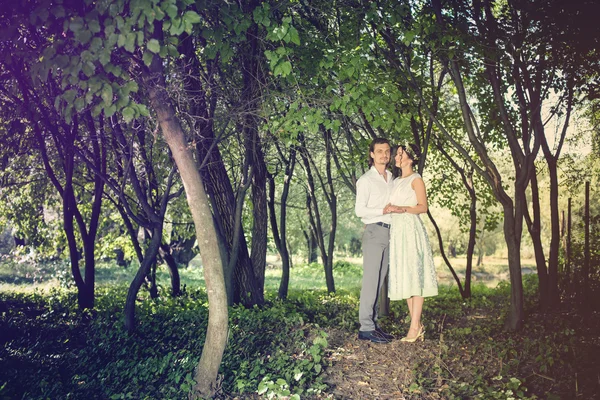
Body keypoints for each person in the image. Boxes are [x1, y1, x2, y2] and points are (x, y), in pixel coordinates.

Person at [384, 142, 438, 342]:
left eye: (401, 154)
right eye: (397, 154)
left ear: (411, 158)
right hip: (398, 231)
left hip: (410, 228)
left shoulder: (416, 179)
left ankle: (414, 327)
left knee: (415, 274)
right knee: (405, 275)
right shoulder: (396, 180)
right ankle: (417, 325)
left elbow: (423, 207)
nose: (397, 157)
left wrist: (401, 208)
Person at [354, 137, 395, 344]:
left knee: (379, 281)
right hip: (374, 232)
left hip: (390, 232)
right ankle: (366, 328)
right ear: (372, 154)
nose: (384, 155)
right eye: (379, 151)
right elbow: (359, 210)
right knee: (370, 281)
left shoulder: (391, 177)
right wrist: (382, 210)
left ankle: (374, 324)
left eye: (387, 151)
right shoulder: (365, 181)